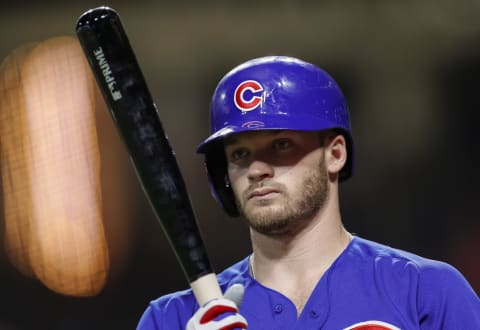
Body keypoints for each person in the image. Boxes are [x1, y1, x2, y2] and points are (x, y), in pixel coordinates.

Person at [137, 56, 480, 329]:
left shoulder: (425, 292)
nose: (257, 169)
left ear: (335, 154)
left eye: (281, 145)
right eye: (239, 153)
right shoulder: (172, 319)